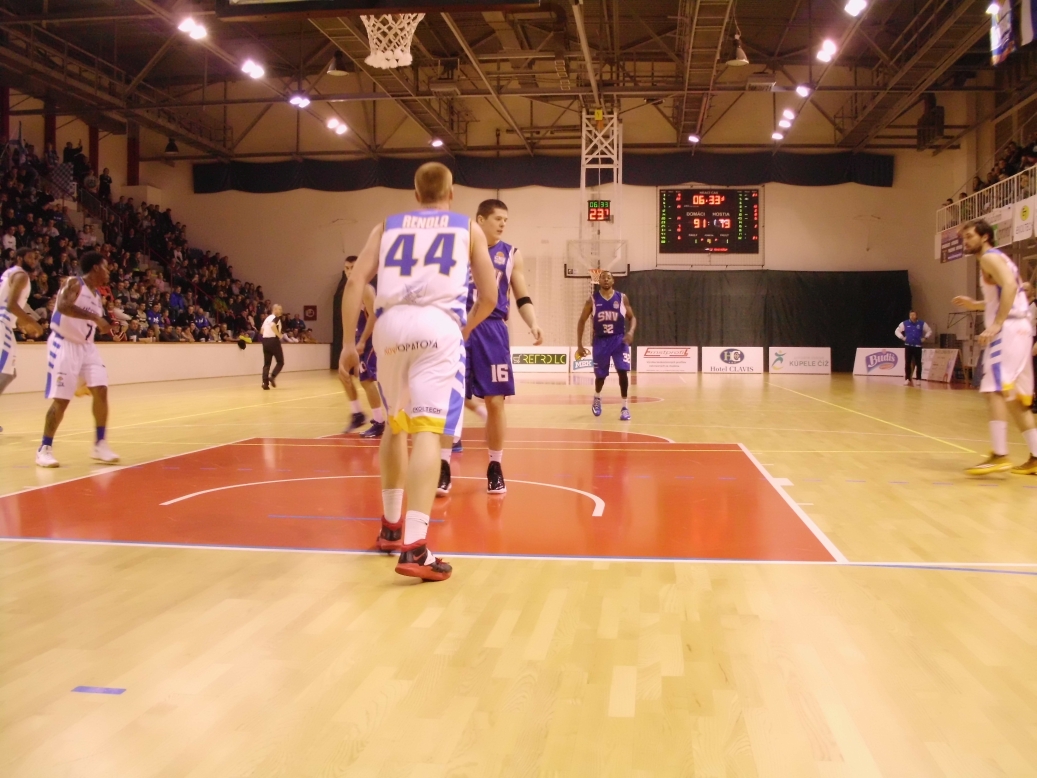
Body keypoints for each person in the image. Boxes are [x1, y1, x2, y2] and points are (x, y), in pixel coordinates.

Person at [339, 161, 496, 582]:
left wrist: (348, 343)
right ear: (451, 194)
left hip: (389, 327)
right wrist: (465, 328)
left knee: (395, 426)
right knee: (427, 430)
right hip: (436, 325)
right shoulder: (467, 228)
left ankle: (390, 528)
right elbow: (489, 294)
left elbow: (355, 282)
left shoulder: (386, 226)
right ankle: (416, 547)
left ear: (415, 194)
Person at [437, 199, 543, 497]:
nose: (503, 224)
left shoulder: (511, 254)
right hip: (457, 327)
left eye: (506, 220)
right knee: (448, 399)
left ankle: (495, 466)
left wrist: (533, 322)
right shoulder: (457, 249)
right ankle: (443, 466)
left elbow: (522, 296)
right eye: (497, 218)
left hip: (492, 330)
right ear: (480, 220)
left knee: (496, 402)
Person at [952, 220, 1037, 475]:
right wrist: (976, 304)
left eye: (969, 236)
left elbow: (1010, 287)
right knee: (1015, 400)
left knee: (994, 389)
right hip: (1021, 329)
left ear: (985, 237)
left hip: (1009, 329)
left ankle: (1000, 455)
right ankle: (1036, 457)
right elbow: (1011, 292)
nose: (966, 242)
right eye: (964, 238)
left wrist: (997, 324)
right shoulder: (999, 259)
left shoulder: (989, 257)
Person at [36, 251, 120, 468]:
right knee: (62, 400)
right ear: (95, 268)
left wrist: (107, 326)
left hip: (87, 348)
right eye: (106, 267)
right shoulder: (74, 283)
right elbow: (64, 307)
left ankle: (100, 444)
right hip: (64, 344)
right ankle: (44, 448)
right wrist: (95, 318)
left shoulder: (97, 295)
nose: (109, 271)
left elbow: (91, 322)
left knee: (101, 389)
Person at [575, 270, 637, 419]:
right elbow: (581, 321)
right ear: (599, 281)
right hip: (601, 341)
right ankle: (597, 397)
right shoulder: (592, 300)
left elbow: (632, 318)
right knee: (600, 377)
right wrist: (579, 345)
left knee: (622, 372)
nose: (606, 280)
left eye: (609, 277)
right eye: (603, 278)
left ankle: (625, 407)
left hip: (619, 340)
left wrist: (631, 332)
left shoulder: (622, 298)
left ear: (613, 281)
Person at [339, 255, 386, 437]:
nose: (349, 271)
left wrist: (363, 340)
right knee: (343, 374)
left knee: (367, 380)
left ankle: (379, 421)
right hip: (358, 339)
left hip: (371, 339)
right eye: (347, 268)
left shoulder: (365, 288)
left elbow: (374, 316)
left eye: (353, 267)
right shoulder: (350, 290)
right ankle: (357, 413)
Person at [0, 248, 45, 430]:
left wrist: (20, 324)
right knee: (6, 373)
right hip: (2, 324)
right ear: (19, 258)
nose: (33, 260)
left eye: (35, 258)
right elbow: (11, 305)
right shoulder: (21, 275)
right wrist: (35, 324)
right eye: (30, 257)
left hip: (5, 323)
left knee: (9, 373)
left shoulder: (9, 272)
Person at [895, 310, 933, 385]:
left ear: (916, 315)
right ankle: (907, 378)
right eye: (911, 315)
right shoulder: (905, 323)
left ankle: (918, 379)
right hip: (908, 345)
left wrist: (925, 338)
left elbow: (929, 331)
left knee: (918, 363)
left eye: (914, 315)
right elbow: (897, 331)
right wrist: (902, 337)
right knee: (907, 362)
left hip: (917, 346)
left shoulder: (922, 323)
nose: (912, 316)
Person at [260, 304, 284, 390]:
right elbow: (273, 325)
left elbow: (261, 331)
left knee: (267, 364)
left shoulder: (267, 319)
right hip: (273, 341)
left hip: (265, 341)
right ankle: (272, 377)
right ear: (275, 310)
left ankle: (265, 383)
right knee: (280, 362)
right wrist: (279, 335)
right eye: (279, 309)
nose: (281, 311)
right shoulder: (276, 318)